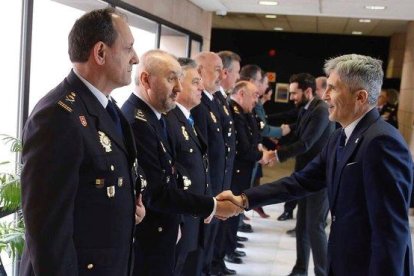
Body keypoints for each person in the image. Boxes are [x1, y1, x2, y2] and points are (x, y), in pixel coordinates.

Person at [217, 54, 414, 276]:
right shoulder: (340, 136)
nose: (325, 96)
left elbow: (390, 232)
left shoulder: (382, 142)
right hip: (343, 260)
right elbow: (301, 181)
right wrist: (244, 200)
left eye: (333, 89)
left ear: (360, 97)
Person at [20, 8, 145, 276]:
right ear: (100, 52)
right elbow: (47, 232)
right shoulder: (57, 116)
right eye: (129, 48)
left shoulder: (108, 109)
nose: (135, 58)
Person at [121, 50, 240, 276]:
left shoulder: (153, 117)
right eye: (170, 78)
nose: (178, 86)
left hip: (166, 229)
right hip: (150, 238)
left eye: (179, 78)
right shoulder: (138, 121)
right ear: (146, 79)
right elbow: (156, 192)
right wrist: (212, 205)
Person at [277, 73, 334, 276]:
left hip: (319, 179)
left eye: (294, 93)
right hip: (304, 176)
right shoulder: (306, 109)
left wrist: (276, 155)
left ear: (307, 91)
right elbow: (297, 133)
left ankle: (323, 272)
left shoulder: (321, 110)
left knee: (315, 227)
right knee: (302, 225)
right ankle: (300, 269)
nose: (292, 97)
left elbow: (306, 143)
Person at [166, 57, 209, 276]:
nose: (202, 87)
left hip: (192, 215)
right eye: (195, 82)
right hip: (180, 220)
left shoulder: (186, 119)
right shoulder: (169, 120)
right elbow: (171, 178)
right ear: (179, 84)